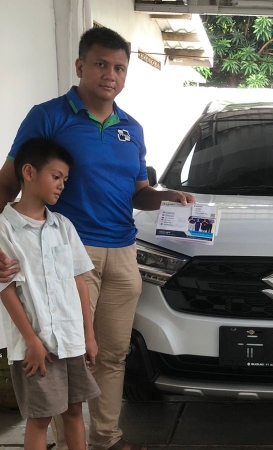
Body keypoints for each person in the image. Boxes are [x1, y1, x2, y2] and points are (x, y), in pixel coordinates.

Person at [0, 27, 194, 450]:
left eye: (120, 68)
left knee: (111, 353)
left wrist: (166, 199)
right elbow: (9, 182)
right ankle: (66, 440)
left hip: (123, 252)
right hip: (66, 253)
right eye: (101, 64)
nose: (111, 75)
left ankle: (106, 437)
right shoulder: (48, 116)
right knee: (63, 353)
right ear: (80, 66)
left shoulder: (132, 129)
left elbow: (139, 193)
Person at [0, 138, 100, 450]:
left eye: (64, 180)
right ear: (29, 172)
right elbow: (6, 289)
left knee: (74, 411)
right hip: (36, 344)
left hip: (71, 340)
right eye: (56, 177)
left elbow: (79, 282)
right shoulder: (5, 228)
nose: (61, 185)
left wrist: (89, 336)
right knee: (40, 418)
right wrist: (32, 341)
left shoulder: (63, 226)